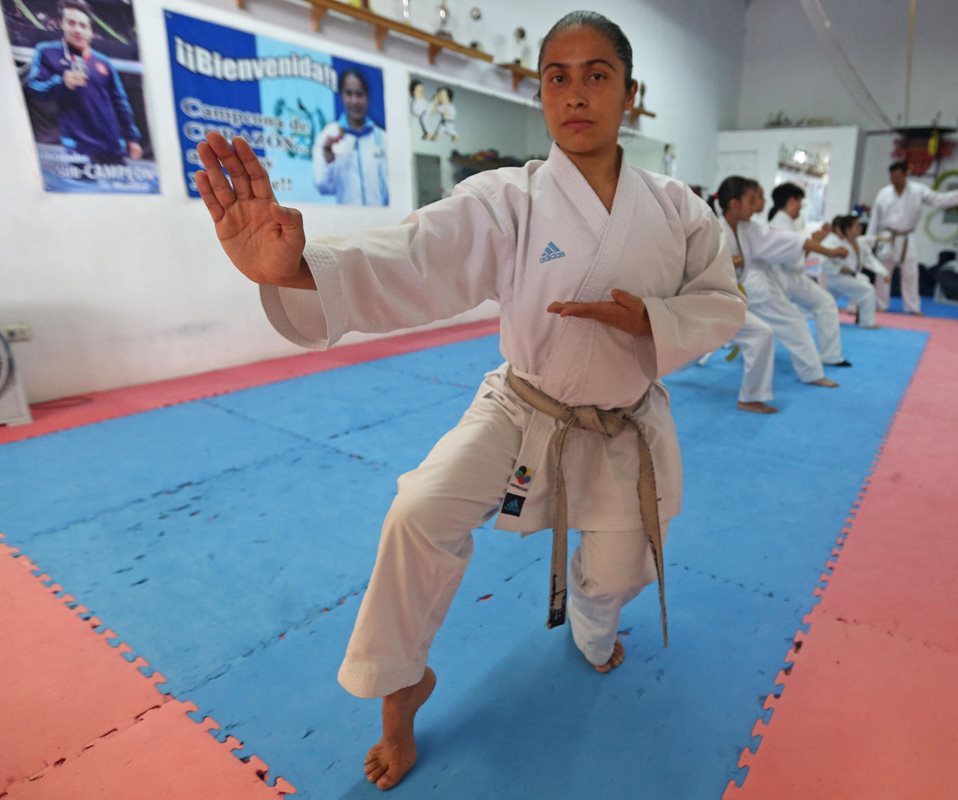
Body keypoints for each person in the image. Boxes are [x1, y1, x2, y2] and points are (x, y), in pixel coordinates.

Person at [194, 11, 744, 792]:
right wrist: (299, 268)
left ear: (630, 92)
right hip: (522, 408)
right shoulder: (509, 199)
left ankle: (593, 627)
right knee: (416, 512)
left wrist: (651, 320)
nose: (575, 93)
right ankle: (402, 687)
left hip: (625, 425)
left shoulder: (681, 210)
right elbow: (418, 252)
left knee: (619, 574)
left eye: (597, 75)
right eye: (558, 75)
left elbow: (723, 301)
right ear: (542, 91)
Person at [714, 176, 845, 413]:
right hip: (717, 295)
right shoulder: (712, 228)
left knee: (763, 333)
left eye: (758, 198)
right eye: (752, 199)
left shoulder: (748, 228)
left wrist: (828, 250)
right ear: (734, 204)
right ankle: (808, 374)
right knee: (689, 346)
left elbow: (790, 241)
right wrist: (731, 260)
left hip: (740, 293)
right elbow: (697, 262)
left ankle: (755, 395)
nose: (757, 205)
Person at [25, 0, 143, 165]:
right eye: (71, 23)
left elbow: (120, 102)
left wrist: (132, 139)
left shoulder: (104, 62)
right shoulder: (47, 52)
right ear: (61, 24)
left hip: (112, 145)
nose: (77, 29)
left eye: (83, 25)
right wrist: (61, 83)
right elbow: (33, 87)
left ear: (90, 30)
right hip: (77, 147)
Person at [867, 161, 958, 315]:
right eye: (892, 177)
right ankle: (881, 305)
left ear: (906, 175)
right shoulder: (883, 193)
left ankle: (912, 307)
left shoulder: (918, 190)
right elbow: (874, 219)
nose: (895, 180)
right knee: (882, 272)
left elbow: (937, 200)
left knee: (911, 273)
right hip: (887, 237)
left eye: (898, 176)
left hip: (906, 237)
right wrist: (871, 241)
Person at [766, 183, 855, 358]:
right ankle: (828, 356)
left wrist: (816, 240)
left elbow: (799, 250)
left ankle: (829, 355)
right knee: (822, 305)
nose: (801, 207)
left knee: (821, 305)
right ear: (792, 201)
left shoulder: (783, 222)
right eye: (800, 202)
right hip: (784, 277)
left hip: (786, 276)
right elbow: (794, 258)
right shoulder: (781, 224)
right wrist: (822, 246)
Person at [313, 68, 388, 206]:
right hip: (348, 222)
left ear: (367, 97)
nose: (354, 101)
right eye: (349, 93)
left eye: (359, 94)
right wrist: (328, 157)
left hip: (382, 221)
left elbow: (390, 188)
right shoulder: (328, 135)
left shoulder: (382, 137)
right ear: (341, 95)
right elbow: (322, 187)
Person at [819, 214, 883, 329]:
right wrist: (840, 269)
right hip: (835, 278)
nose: (860, 228)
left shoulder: (855, 242)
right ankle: (867, 322)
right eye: (857, 226)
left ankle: (855, 312)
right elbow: (823, 263)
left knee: (826, 302)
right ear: (846, 229)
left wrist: (884, 272)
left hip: (847, 277)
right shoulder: (832, 242)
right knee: (868, 290)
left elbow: (869, 258)